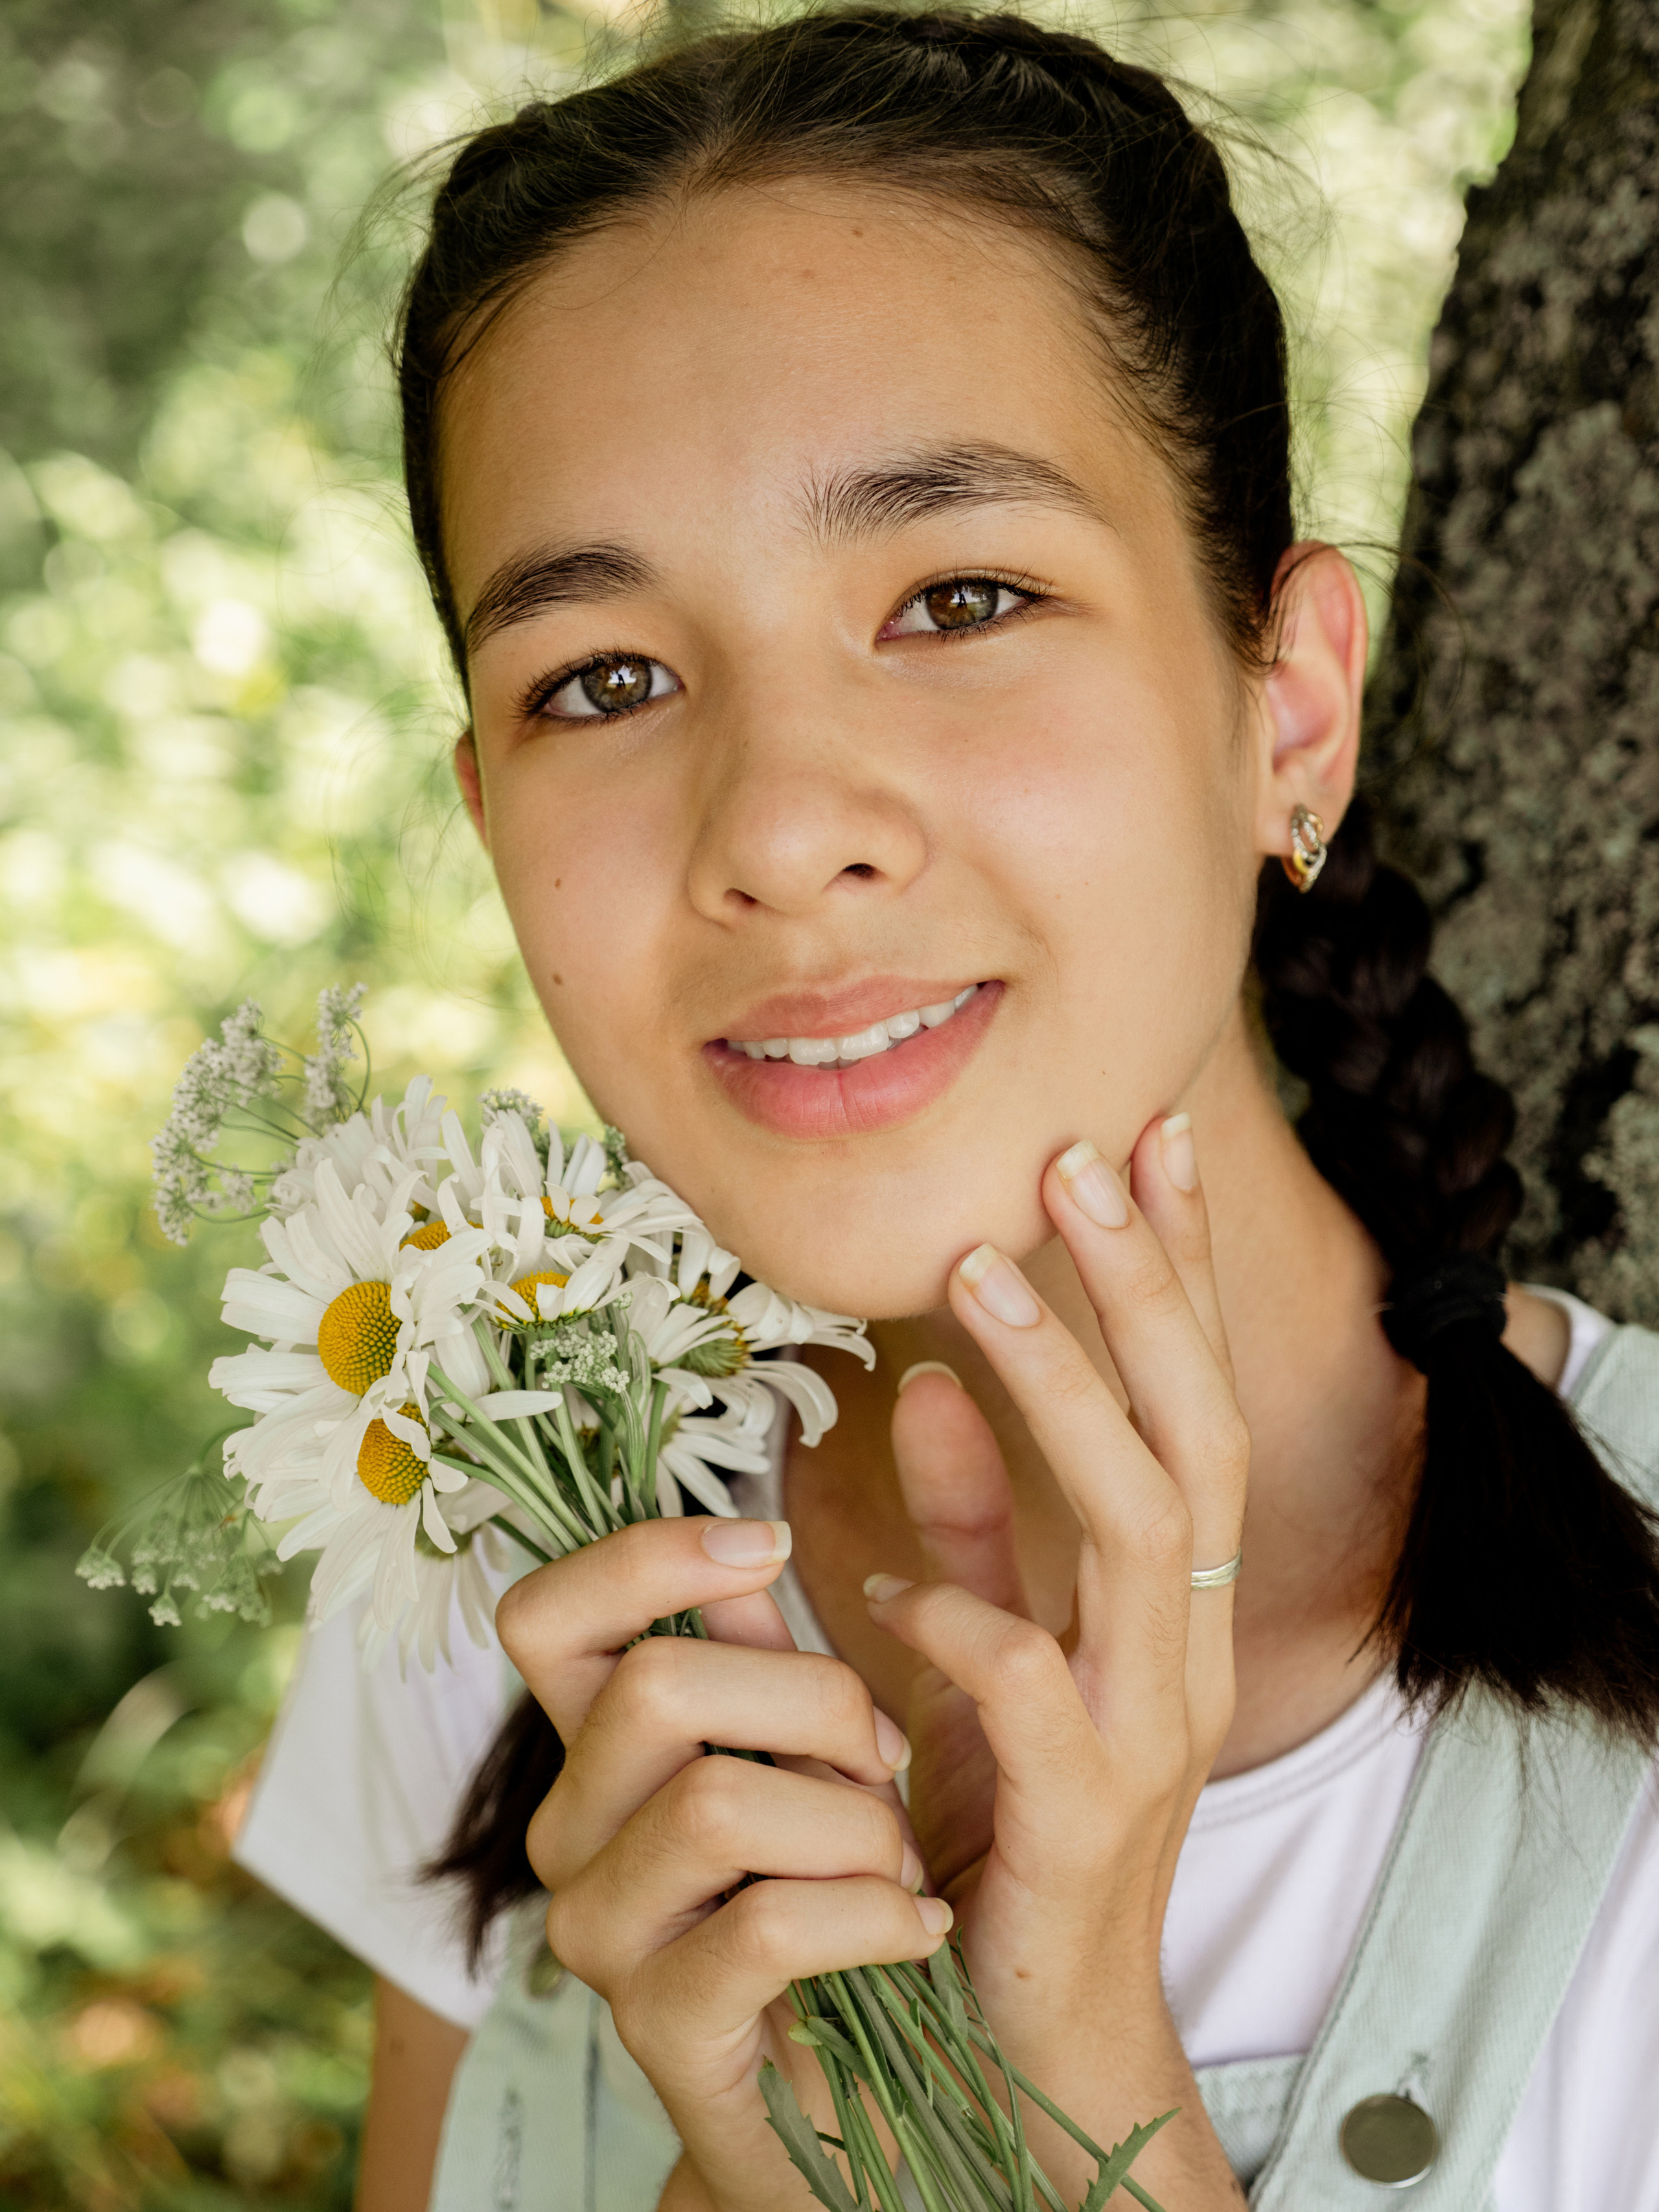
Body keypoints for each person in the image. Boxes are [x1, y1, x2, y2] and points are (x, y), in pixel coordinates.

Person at [230, 10, 1659, 2208]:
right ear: (487, 807)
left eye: (959, 596)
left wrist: (1072, 2066)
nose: (781, 830)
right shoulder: (508, 1569)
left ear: (1288, 705)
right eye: (601, 679)